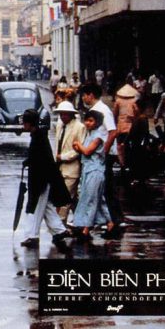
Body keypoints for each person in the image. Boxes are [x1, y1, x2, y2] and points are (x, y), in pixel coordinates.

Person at [20, 109, 71, 248]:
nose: (23, 125)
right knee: (47, 207)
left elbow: (42, 161)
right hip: (43, 179)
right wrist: (29, 161)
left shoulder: (39, 137)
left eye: (24, 122)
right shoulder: (39, 136)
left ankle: (32, 236)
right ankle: (59, 230)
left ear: (29, 123)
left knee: (36, 207)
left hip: (41, 180)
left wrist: (30, 163)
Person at [80, 83, 121, 227]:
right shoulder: (95, 110)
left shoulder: (103, 110)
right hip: (97, 155)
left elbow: (113, 132)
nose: (83, 98)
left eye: (84, 95)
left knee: (106, 188)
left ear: (91, 95)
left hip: (104, 155)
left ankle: (115, 220)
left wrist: (104, 150)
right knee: (101, 189)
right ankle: (106, 220)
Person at [72, 110, 116, 241]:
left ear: (97, 122)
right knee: (98, 199)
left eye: (91, 121)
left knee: (90, 199)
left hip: (95, 171)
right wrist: (78, 146)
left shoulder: (98, 136)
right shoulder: (89, 134)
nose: (87, 123)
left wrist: (78, 145)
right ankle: (110, 224)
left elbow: (87, 151)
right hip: (88, 170)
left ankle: (86, 228)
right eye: (86, 120)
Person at [53, 101, 86, 224]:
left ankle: (61, 222)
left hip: (71, 168)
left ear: (72, 114)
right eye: (61, 114)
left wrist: (63, 157)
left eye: (65, 114)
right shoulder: (60, 126)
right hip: (59, 167)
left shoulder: (79, 127)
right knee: (69, 198)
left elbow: (78, 149)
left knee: (65, 198)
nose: (63, 117)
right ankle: (81, 221)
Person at [113, 83, 139, 169]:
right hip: (131, 126)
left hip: (121, 125)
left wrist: (115, 123)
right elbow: (137, 112)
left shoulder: (118, 101)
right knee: (129, 144)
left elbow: (115, 113)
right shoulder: (134, 101)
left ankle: (122, 162)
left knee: (120, 144)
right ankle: (130, 161)